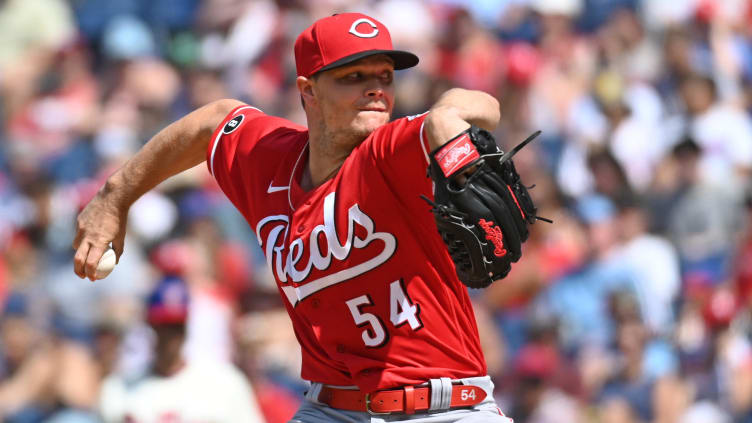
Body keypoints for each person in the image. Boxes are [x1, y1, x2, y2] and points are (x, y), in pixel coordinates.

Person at [74, 12, 519, 422]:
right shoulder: (270, 158)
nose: (376, 90)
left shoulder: (394, 150)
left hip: (445, 406)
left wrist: (446, 115)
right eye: (354, 76)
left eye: (385, 76)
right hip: (330, 407)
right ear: (308, 90)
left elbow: (482, 105)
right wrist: (115, 196)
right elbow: (212, 122)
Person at [98, 275, 264, 422]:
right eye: (163, 326)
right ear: (150, 326)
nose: (170, 336)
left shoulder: (226, 383)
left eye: (176, 327)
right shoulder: (118, 389)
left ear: (186, 327)